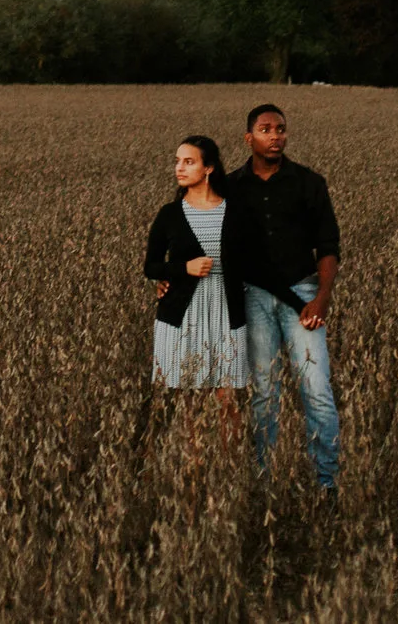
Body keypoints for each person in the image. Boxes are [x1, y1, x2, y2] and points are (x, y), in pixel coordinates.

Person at [223, 102, 341, 489]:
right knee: (264, 393)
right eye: (265, 129)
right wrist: (169, 274)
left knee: (317, 390)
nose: (275, 136)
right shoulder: (230, 187)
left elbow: (328, 246)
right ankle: (266, 483)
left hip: (304, 293)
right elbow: (197, 229)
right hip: (253, 297)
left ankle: (327, 484)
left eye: (281, 129)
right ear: (248, 137)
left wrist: (322, 297)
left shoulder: (310, 183)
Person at [143, 136, 248, 398]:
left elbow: (255, 260)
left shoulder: (236, 212)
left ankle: (229, 443)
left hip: (227, 313)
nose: (179, 168)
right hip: (183, 316)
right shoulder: (168, 214)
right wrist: (183, 269)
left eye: (189, 162)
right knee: (189, 402)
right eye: (178, 162)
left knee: (229, 399)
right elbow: (151, 267)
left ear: (209, 168)